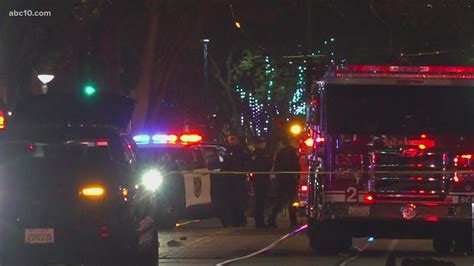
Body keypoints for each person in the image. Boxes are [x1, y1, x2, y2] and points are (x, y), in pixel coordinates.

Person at [267, 138, 300, 228]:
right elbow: (296, 166)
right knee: (292, 201)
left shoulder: (280, 153)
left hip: (281, 180)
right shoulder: (293, 153)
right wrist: (297, 176)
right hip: (290, 180)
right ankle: (293, 221)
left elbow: (277, 166)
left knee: (279, 201)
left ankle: (271, 219)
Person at [221, 134, 249, 227]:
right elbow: (225, 163)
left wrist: (242, 172)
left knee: (239, 200)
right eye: (229, 140)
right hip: (229, 179)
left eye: (233, 139)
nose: (231, 141)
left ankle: (241, 220)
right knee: (231, 200)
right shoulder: (227, 150)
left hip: (238, 178)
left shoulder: (241, 150)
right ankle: (234, 220)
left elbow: (246, 163)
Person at [249, 137, 273, 228]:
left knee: (262, 201)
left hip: (264, 179)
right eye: (261, 143)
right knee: (259, 201)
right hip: (259, 180)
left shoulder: (265, 153)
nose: (263, 144)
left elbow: (269, 165)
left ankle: (260, 221)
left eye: (263, 142)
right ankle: (259, 222)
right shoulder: (256, 154)